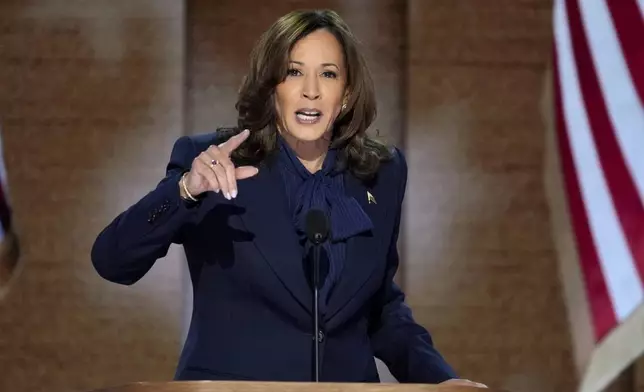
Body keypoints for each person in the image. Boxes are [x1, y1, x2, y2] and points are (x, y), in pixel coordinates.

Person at [91, 9, 486, 388]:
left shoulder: (382, 172)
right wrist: (184, 192)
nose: (310, 91)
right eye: (294, 72)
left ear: (346, 95)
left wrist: (441, 380)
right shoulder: (215, 162)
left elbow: (380, 306)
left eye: (327, 75)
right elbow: (113, 261)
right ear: (272, 87)